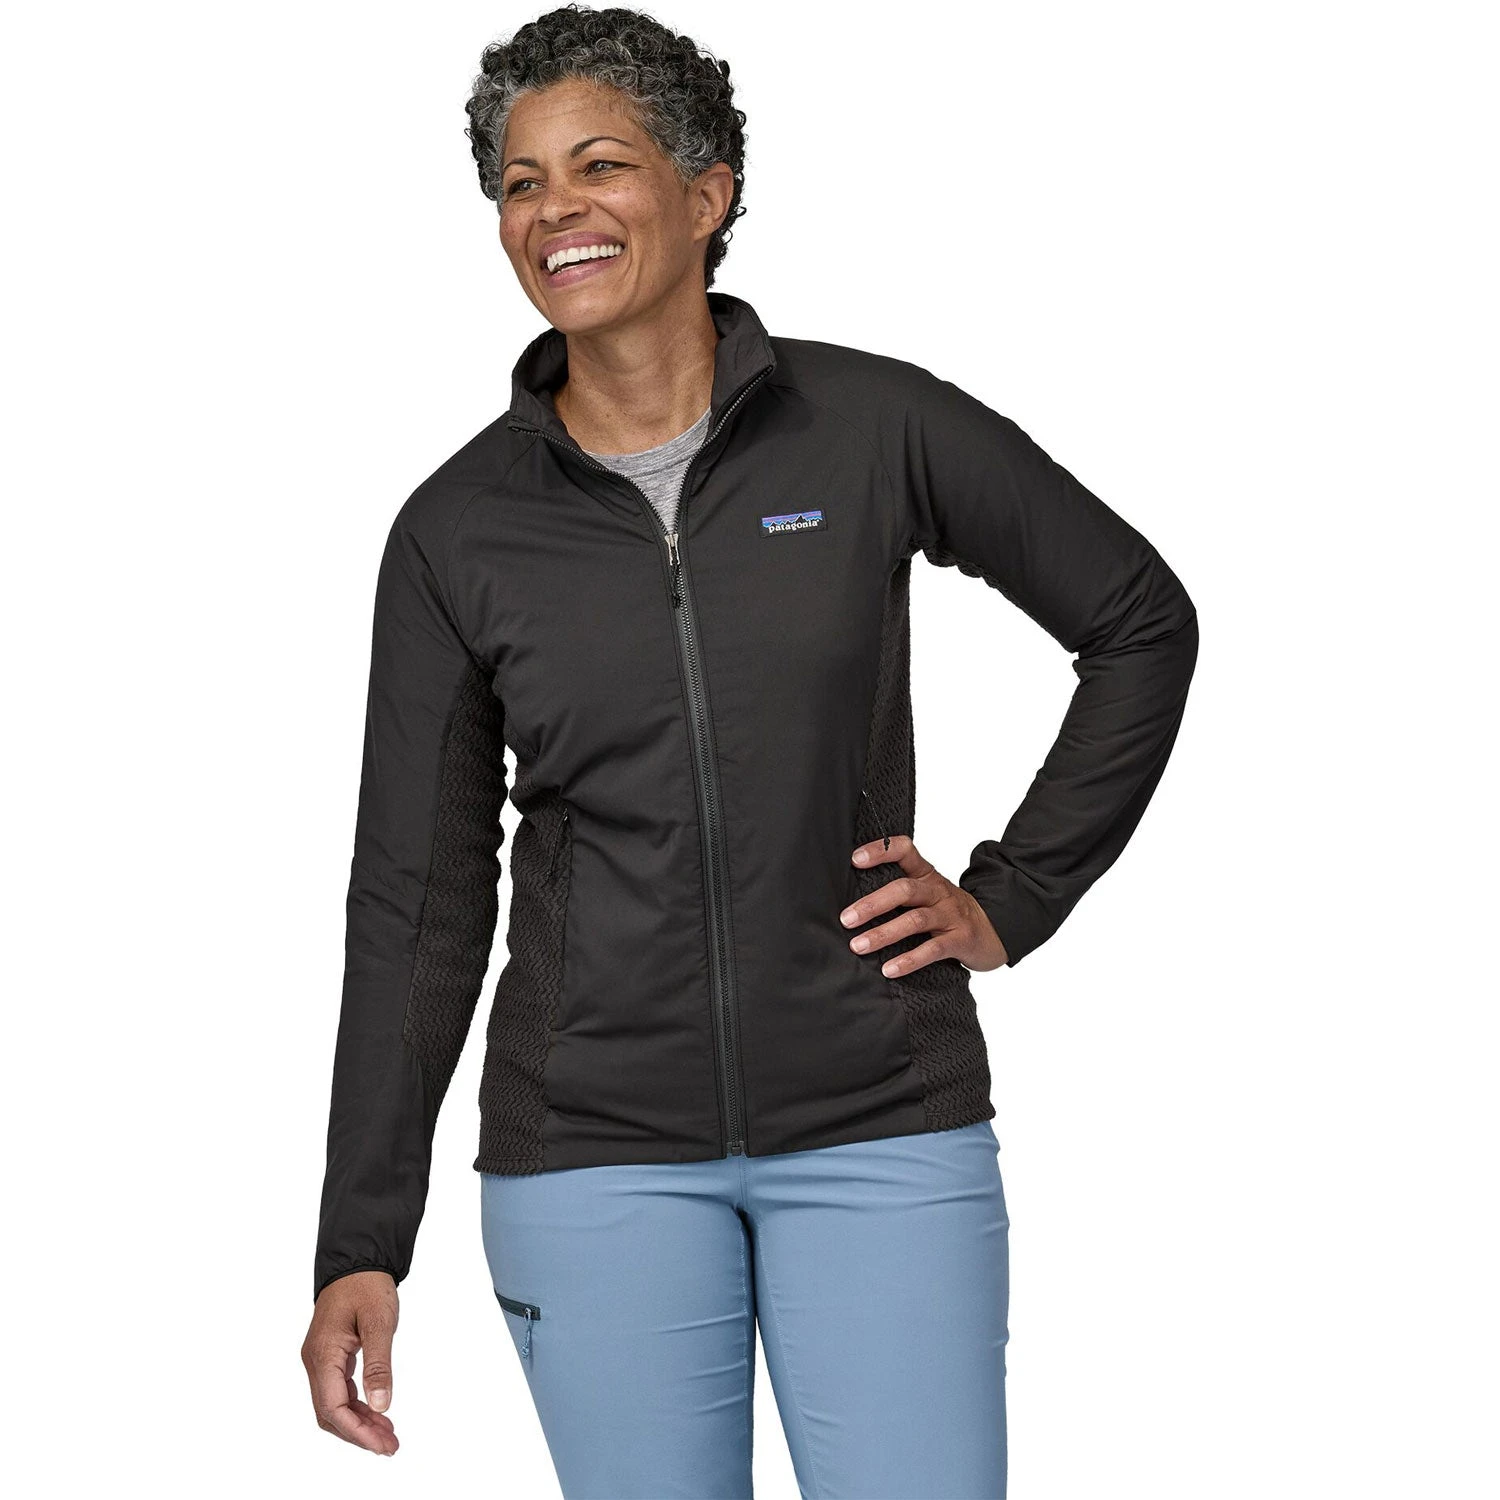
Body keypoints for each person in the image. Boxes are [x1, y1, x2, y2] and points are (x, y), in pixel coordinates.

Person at [300, 6, 1200, 1496]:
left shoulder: (872, 427)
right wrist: (361, 1239)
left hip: (882, 1126)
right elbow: (417, 898)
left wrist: (1015, 895)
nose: (555, 209)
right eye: (520, 183)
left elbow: (1139, 623)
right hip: (589, 1159)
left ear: (707, 190)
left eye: (600, 164)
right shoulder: (458, 532)